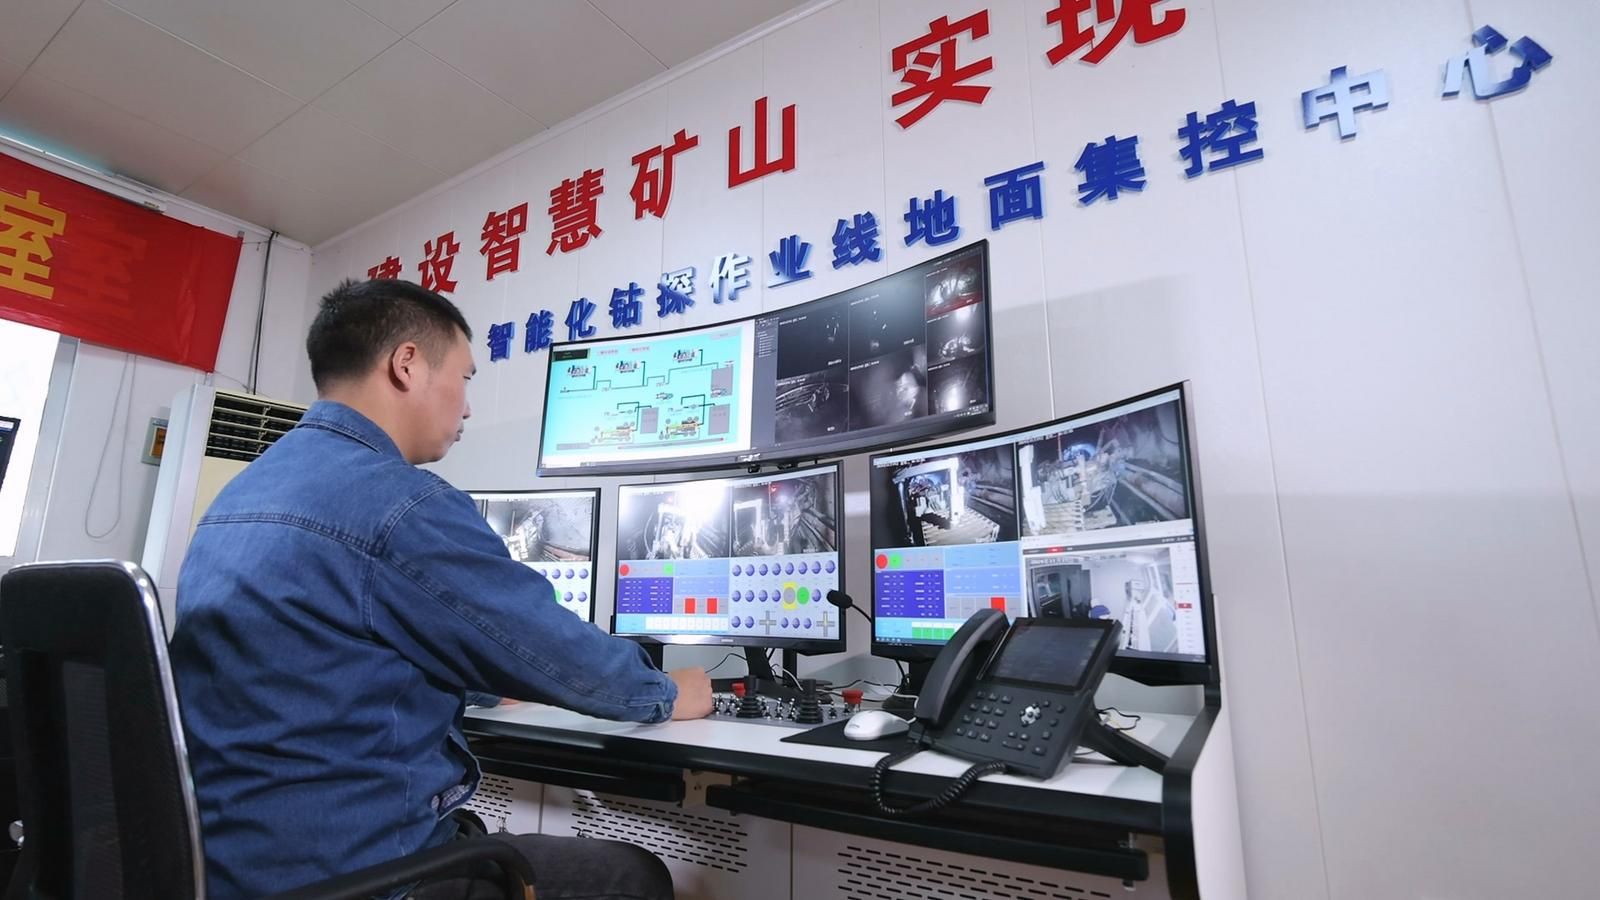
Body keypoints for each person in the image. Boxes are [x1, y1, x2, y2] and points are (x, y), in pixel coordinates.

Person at [169, 278, 713, 900]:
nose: (468, 407)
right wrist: (668, 691)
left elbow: (311, 659)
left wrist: (487, 683)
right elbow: (559, 655)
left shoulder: (239, 496)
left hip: (232, 867)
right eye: (465, 377)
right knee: (632, 876)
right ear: (406, 364)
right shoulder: (401, 504)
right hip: (357, 875)